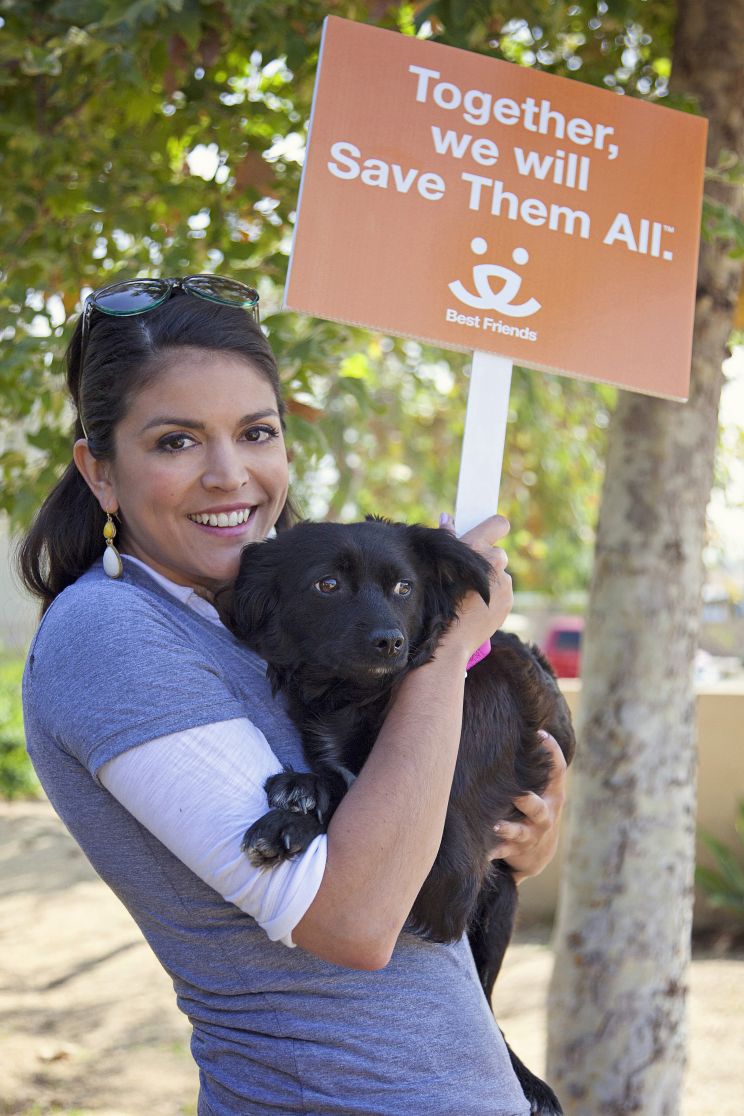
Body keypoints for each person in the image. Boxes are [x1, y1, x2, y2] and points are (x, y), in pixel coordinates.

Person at [20, 275, 568, 1116]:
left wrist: (497, 834)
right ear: (99, 472)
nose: (228, 475)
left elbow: (403, 827)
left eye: (256, 432)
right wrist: (448, 641)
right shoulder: (112, 635)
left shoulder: (261, 623)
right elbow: (351, 921)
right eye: (175, 442)